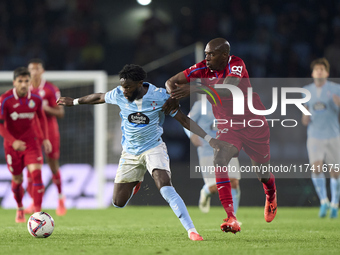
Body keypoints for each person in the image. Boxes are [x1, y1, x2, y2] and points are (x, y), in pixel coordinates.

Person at [57, 64, 226, 241]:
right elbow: (99, 97)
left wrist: (210, 139)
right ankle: (137, 180)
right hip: (130, 152)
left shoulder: (160, 96)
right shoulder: (119, 93)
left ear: (140, 84)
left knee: (165, 186)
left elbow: (183, 119)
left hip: (153, 148)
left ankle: (192, 231)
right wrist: (74, 102)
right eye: (123, 86)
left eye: (128, 87)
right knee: (118, 202)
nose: (124, 91)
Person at [162, 38, 278, 234]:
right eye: (206, 54)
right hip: (228, 126)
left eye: (211, 54)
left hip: (252, 123)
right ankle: (231, 217)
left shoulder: (237, 64)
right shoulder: (202, 68)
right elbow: (171, 82)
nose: (206, 58)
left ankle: (271, 194)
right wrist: (173, 96)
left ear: (224, 55)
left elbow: (226, 90)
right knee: (220, 157)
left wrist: (194, 88)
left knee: (262, 174)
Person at [0, 67, 52, 223]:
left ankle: (38, 214)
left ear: (30, 82)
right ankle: (20, 206)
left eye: (26, 81)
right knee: (17, 179)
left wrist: (45, 139)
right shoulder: (5, 99)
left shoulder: (35, 98)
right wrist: (12, 141)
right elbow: (1, 124)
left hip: (32, 142)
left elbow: (41, 118)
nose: (23, 84)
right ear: (14, 82)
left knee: (37, 174)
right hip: (12, 145)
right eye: (20, 81)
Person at [25, 58, 67, 216]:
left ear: (42, 71)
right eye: (32, 69)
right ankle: (32, 200)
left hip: (49, 131)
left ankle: (61, 198)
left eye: (37, 69)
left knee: (52, 164)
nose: (34, 72)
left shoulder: (50, 89)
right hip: (32, 132)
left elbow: (60, 113)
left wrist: (45, 107)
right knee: (31, 166)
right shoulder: (25, 89)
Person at [183, 99, 241, 214]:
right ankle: (206, 190)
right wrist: (192, 135)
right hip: (207, 150)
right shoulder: (201, 104)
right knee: (215, 187)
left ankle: (232, 217)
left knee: (233, 181)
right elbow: (186, 121)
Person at [302, 58, 340, 218]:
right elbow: (304, 119)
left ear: (327, 72)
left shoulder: (336, 88)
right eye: (316, 69)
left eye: (321, 69)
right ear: (312, 73)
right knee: (316, 168)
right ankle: (323, 201)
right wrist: (305, 115)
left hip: (332, 135)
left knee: (335, 172)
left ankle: (334, 204)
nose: (319, 71)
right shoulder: (306, 91)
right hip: (315, 136)